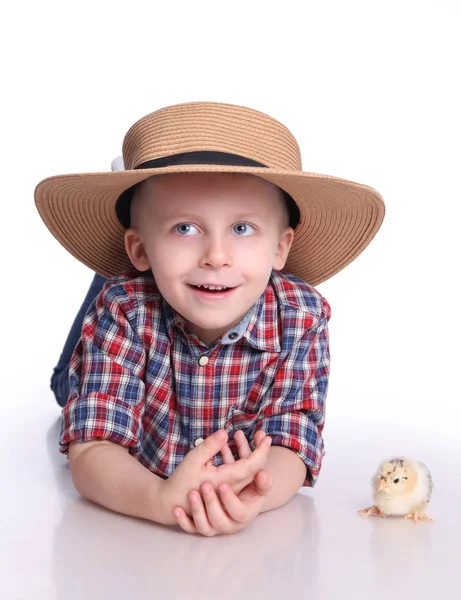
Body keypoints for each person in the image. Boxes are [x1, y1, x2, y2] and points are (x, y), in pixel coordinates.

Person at [35, 101, 385, 536]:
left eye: (242, 228)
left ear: (281, 248)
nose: (216, 257)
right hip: (133, 322)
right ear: (138, 247)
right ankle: (122, 265)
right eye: (185, 227)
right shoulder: (123, 309)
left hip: (165, 283)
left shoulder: (303, 318)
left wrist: (252, 494)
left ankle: (165, 244)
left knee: (167, 281)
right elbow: (92, 450)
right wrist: (159, 500)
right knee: (69, 385)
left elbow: (295, 439)